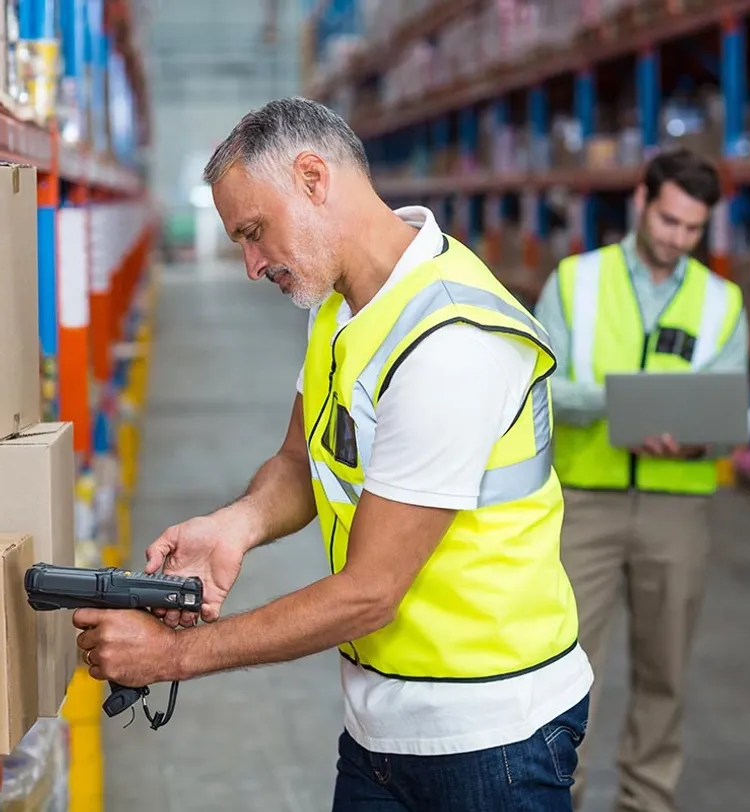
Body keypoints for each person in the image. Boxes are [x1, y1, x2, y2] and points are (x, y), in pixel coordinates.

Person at [70, 97, 594, 811]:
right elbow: (301, 462)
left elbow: (370, 591)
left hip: (491, 737)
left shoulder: (451, 341)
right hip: (378, 726)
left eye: (254, 233)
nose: (252, 266)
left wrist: (174, 656)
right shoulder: (338, 311)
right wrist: (239, 525)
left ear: (314, 179)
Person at [533, 147, 750, 812]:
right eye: (668, 222)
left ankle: (647, 803)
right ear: (641, 203)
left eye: (692, 229)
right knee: (566, 676)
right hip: (585, 503)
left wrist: (694, 432)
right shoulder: (576, 281)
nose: (677, 239)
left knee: (665, 676)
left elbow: (734, 409)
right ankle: (557, 801)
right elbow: (542, 388)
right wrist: (623, 404)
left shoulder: (722, 301)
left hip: (675, 507)